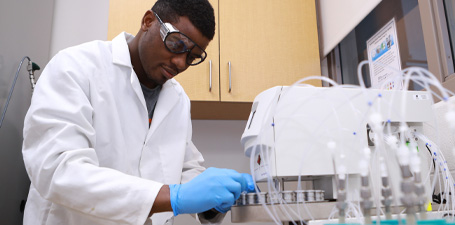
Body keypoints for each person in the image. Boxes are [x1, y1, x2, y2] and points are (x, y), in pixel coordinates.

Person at [21, 0, 254, 224]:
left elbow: (181, 167)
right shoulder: (76, 67)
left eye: (192, 57)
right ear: (148, 21)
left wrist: (214, 201)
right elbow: (58, 170)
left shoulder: (178, 99)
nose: (181, 63)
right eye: (176, 44)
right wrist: (175, 197)